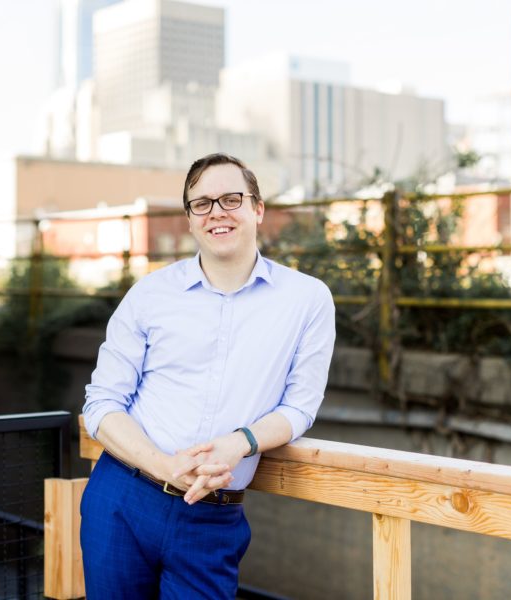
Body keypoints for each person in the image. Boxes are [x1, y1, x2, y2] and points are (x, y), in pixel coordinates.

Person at [80, 153, 336, 599]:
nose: (216, 211)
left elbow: (300, 407)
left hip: (212, 519)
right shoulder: (149, 295)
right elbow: (101, 404)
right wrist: (164, 466)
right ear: (190, 220)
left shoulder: (308, 300)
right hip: (123, 499)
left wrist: (239, 443)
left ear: (258, 209)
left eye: (231, 199)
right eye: (202, 203)